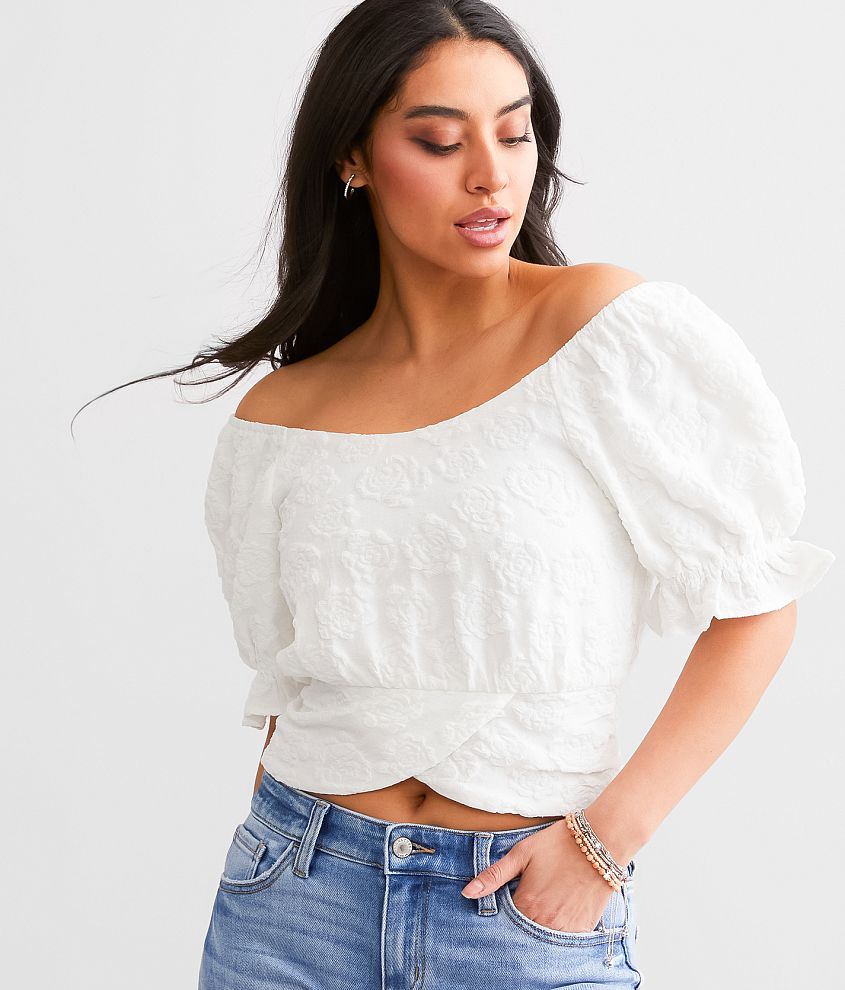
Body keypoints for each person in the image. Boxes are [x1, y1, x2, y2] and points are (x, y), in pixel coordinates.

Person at [184, 2, 835, 988]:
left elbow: (755, 605)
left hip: (515, 911)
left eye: (514, 132)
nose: (490, 174)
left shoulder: (603, 335)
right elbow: (291, 683)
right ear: (352, 156)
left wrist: (604, 844)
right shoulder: (283, 415)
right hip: (292, 900)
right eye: (439, 142)